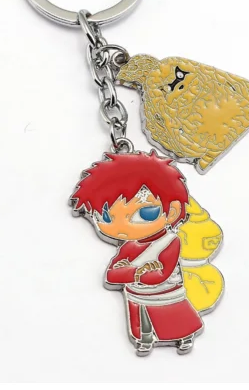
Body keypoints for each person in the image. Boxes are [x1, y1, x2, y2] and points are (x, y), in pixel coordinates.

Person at [71, 151, 204, 355]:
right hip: (137, 297)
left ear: (173, 211)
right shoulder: (128, 246)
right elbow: (111, 275)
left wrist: (131, 272)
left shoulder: (170, 241)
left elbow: (162, 273)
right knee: (142, 325)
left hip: (166, 294)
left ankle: (185, 337)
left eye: (144, 213)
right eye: (106, 217)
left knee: (176, 318)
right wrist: (138, 272)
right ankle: (145, 341)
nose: (122, 228)